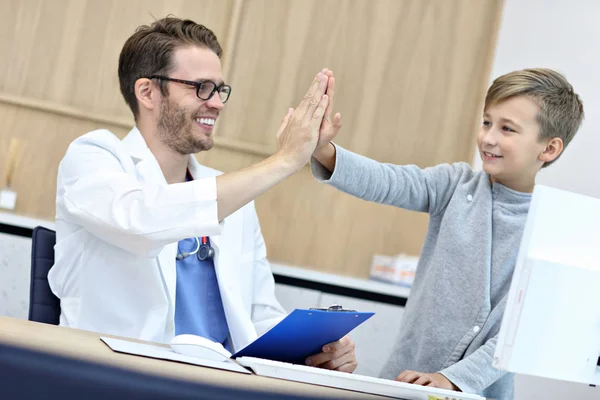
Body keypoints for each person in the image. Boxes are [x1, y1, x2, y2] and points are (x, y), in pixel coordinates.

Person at [48, 17, 356, 372]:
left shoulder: (234, 196)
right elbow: (141, 220)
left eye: (220, 89)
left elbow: (258, 318)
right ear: (147, 92)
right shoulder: (94, 159)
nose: (217, 103)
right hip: (119, 379)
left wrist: (317, 352)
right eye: (200, 88)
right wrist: (285, 161)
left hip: (222, 384)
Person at [307, 68, 584, 397]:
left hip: (478, 391)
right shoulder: (454, 185)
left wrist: (452, 379)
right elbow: (388, 181)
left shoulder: (549, 231)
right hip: (405, 380)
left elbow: (517, 333)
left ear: (549, 149)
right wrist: (324, 150)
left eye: (507, 128)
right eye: (486, 122)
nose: (489, 137)